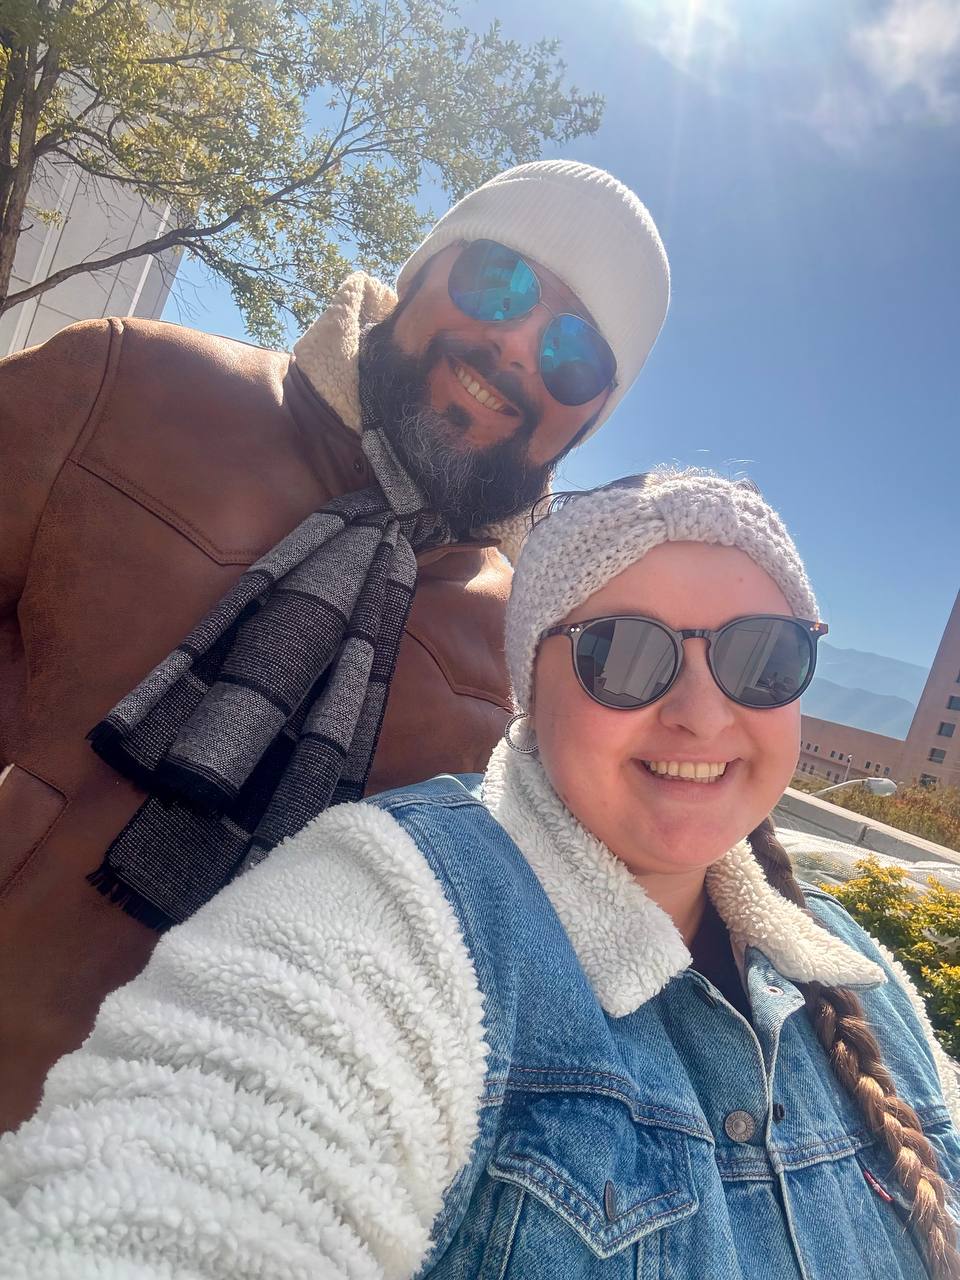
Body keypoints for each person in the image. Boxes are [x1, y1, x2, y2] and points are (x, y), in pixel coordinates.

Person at [2, 469, 958, 1280]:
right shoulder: (397, 901)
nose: (703, 715)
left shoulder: (859, 972)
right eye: (627, 655)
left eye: (763, 656)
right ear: (531, 687)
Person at [0, 160, 670, 1130]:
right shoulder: (128, 385)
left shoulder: (525, 657)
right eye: (498, 281)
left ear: (589, 418)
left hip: (208, 1162)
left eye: (574, 353)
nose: (519, 345)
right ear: (422, 269)